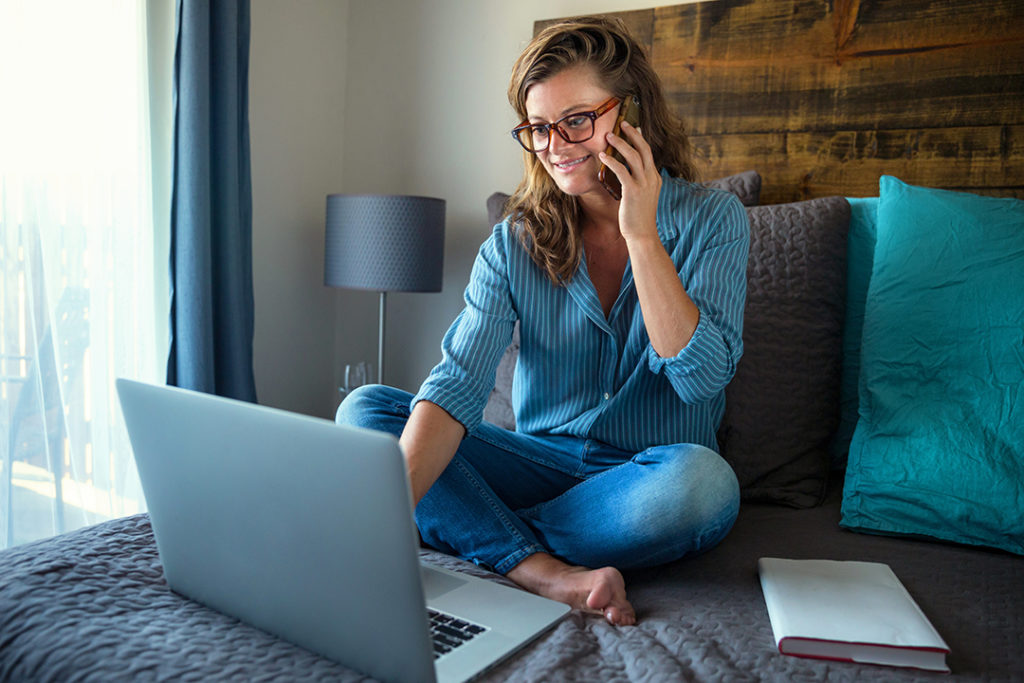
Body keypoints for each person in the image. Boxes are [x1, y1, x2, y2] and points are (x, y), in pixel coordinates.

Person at [336, 16, 749, 626]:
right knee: (366, 411)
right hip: (532, 463)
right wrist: (381, 518)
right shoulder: (513, 242)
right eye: (537, 128)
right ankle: (539, 570)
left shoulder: (715, 220)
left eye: (576, 120)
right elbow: (457, 386)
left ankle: (478, 528)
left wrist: (641, 235)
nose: (554, 145)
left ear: (631, 111)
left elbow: (700, 379)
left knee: (705, 486)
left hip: (643, 482)